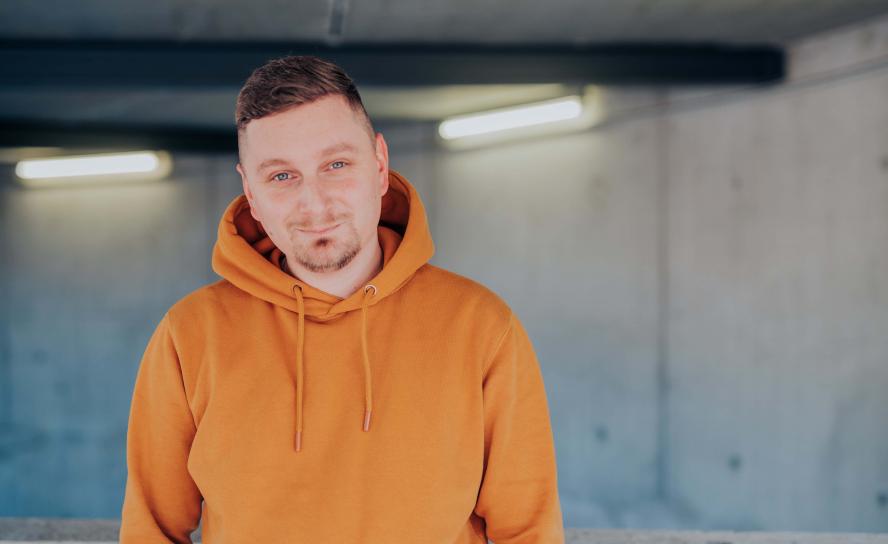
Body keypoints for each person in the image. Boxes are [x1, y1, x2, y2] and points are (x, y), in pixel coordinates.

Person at [119, 54, 564, 543]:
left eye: (336, 164)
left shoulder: (481, 326)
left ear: (379, 166)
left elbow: (528, 530)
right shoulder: (189, 335)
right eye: (282, 176)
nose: (315, 204)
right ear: (251, 193)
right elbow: (151, 530)